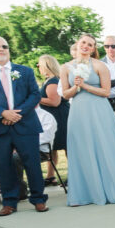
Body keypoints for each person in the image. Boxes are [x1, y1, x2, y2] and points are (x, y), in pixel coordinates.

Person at [60, 34, 115, 206]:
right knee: (82, 148)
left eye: (90, 44)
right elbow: (65, 94)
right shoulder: (66, 67)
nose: (86, 46)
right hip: (78, 112)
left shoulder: (100, 65)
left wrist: (85, 86)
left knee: (106, 146)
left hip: (99, 110)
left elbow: (106, 92)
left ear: (93, 49)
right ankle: (87, 193)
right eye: (83, 42)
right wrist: (76, 86)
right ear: (78, 44)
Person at [0, 37, 48, 215]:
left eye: (4, 46)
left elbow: (34, 95)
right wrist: (2, 113)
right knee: (3, 165)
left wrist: (16, 114)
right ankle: (10, 202)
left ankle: (38, 199)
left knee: (33, 164)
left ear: (8, 49)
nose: (1, 49)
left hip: (25, 124)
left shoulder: (25, 71)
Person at [36, 54, 69, 186]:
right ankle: (50, 176)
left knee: (67, 147)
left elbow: (55, 102)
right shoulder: (49, 80)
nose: (38, 67)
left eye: (39, 64)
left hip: (60, 118)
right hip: (53, 118)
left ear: (46, 65)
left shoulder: (53, 81)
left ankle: (74, 175)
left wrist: (35, 98)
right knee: (52, 148)